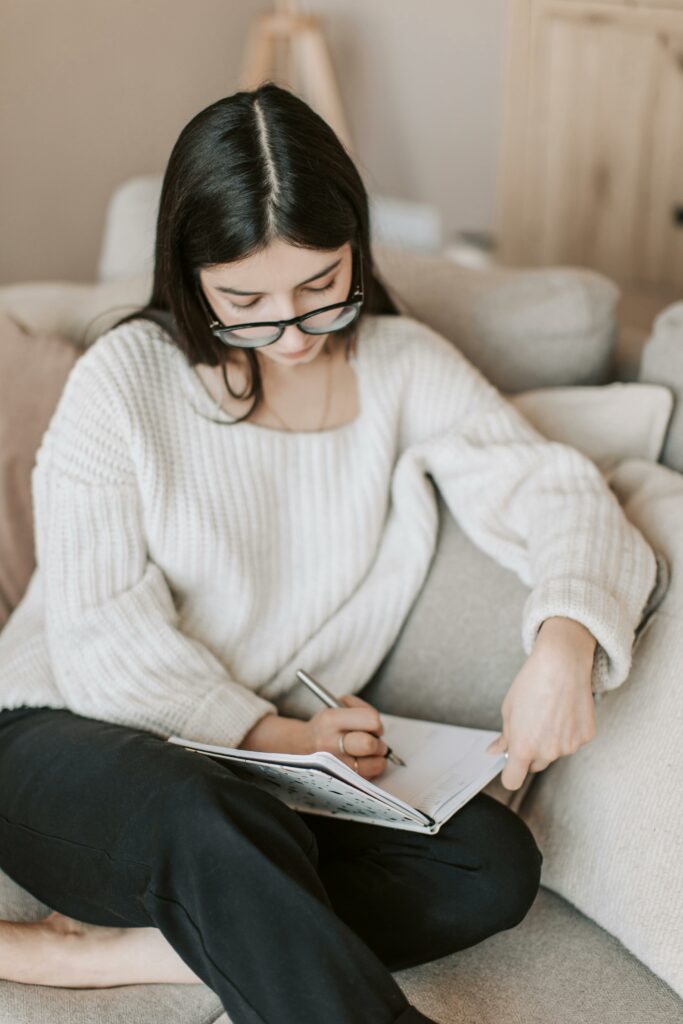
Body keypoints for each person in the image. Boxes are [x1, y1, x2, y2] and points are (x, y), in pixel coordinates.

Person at [0, 82, 658, 1024]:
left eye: (320, 288)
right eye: (246, 304)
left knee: (490, 861)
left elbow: (552, 488)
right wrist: (282, 739)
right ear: (189, 277)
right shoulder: (125, 382)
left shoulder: (402, 366)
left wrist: (564, 641)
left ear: (355, 245)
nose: (294, 334)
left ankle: (112, 955)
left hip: (260, 778)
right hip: (61, 736)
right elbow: (102, 641)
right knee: (202, 808)